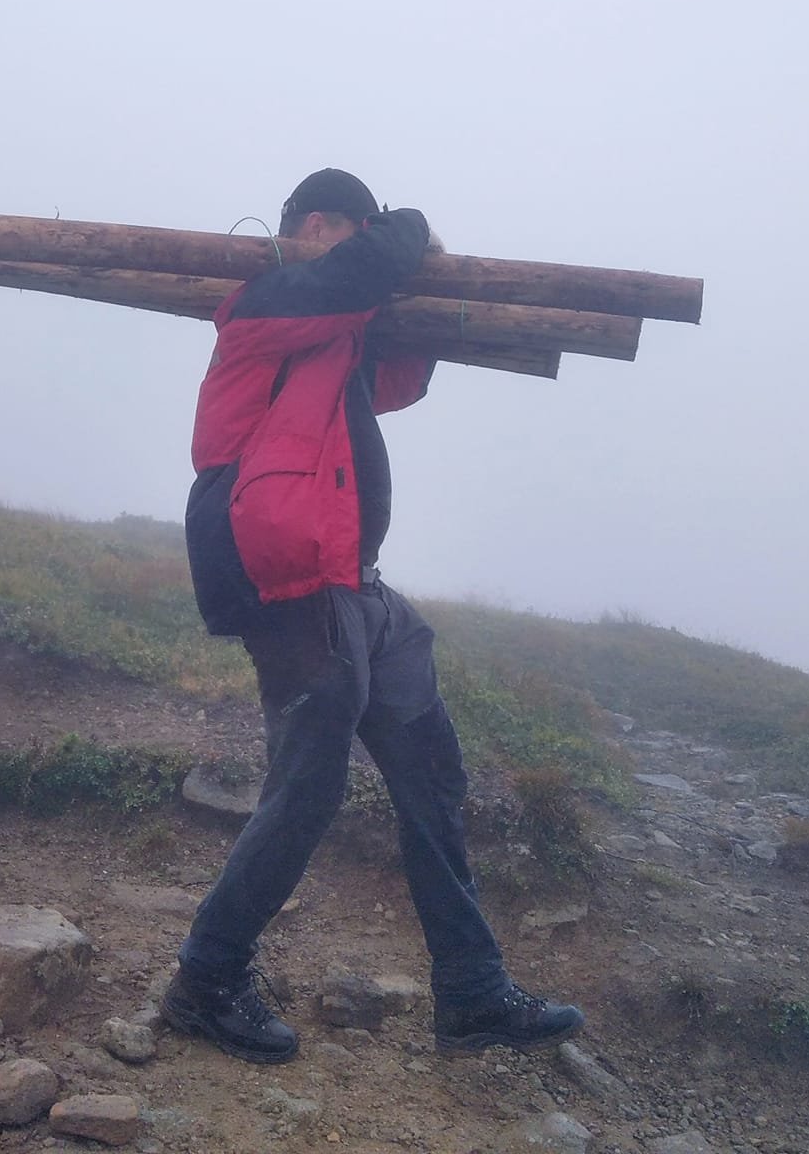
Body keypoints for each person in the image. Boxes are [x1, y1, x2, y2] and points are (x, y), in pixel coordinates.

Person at [161, 168, 584, 1065]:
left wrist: (424, 300)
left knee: (431, 772)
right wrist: (417, 233)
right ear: (321, 228)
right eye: (354, 237)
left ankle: (471, 992)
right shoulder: (268, 304)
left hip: (355, 582)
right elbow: (364, 272)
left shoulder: (331, 338)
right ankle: (205, 979)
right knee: (306, 789)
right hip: (287, 575)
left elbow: (397, 380)